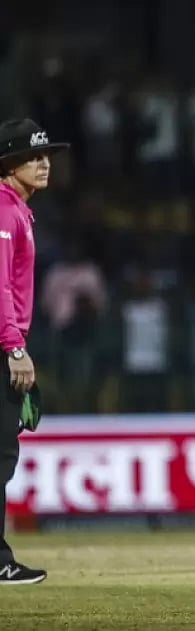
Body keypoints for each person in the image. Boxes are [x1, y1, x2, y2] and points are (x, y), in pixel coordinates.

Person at [0, 119, 69, 585]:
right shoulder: (4, 212)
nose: (44, 163)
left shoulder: (15, 209)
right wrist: (14, 345)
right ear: (8, 163)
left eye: (46, 156)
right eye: (32, 156)